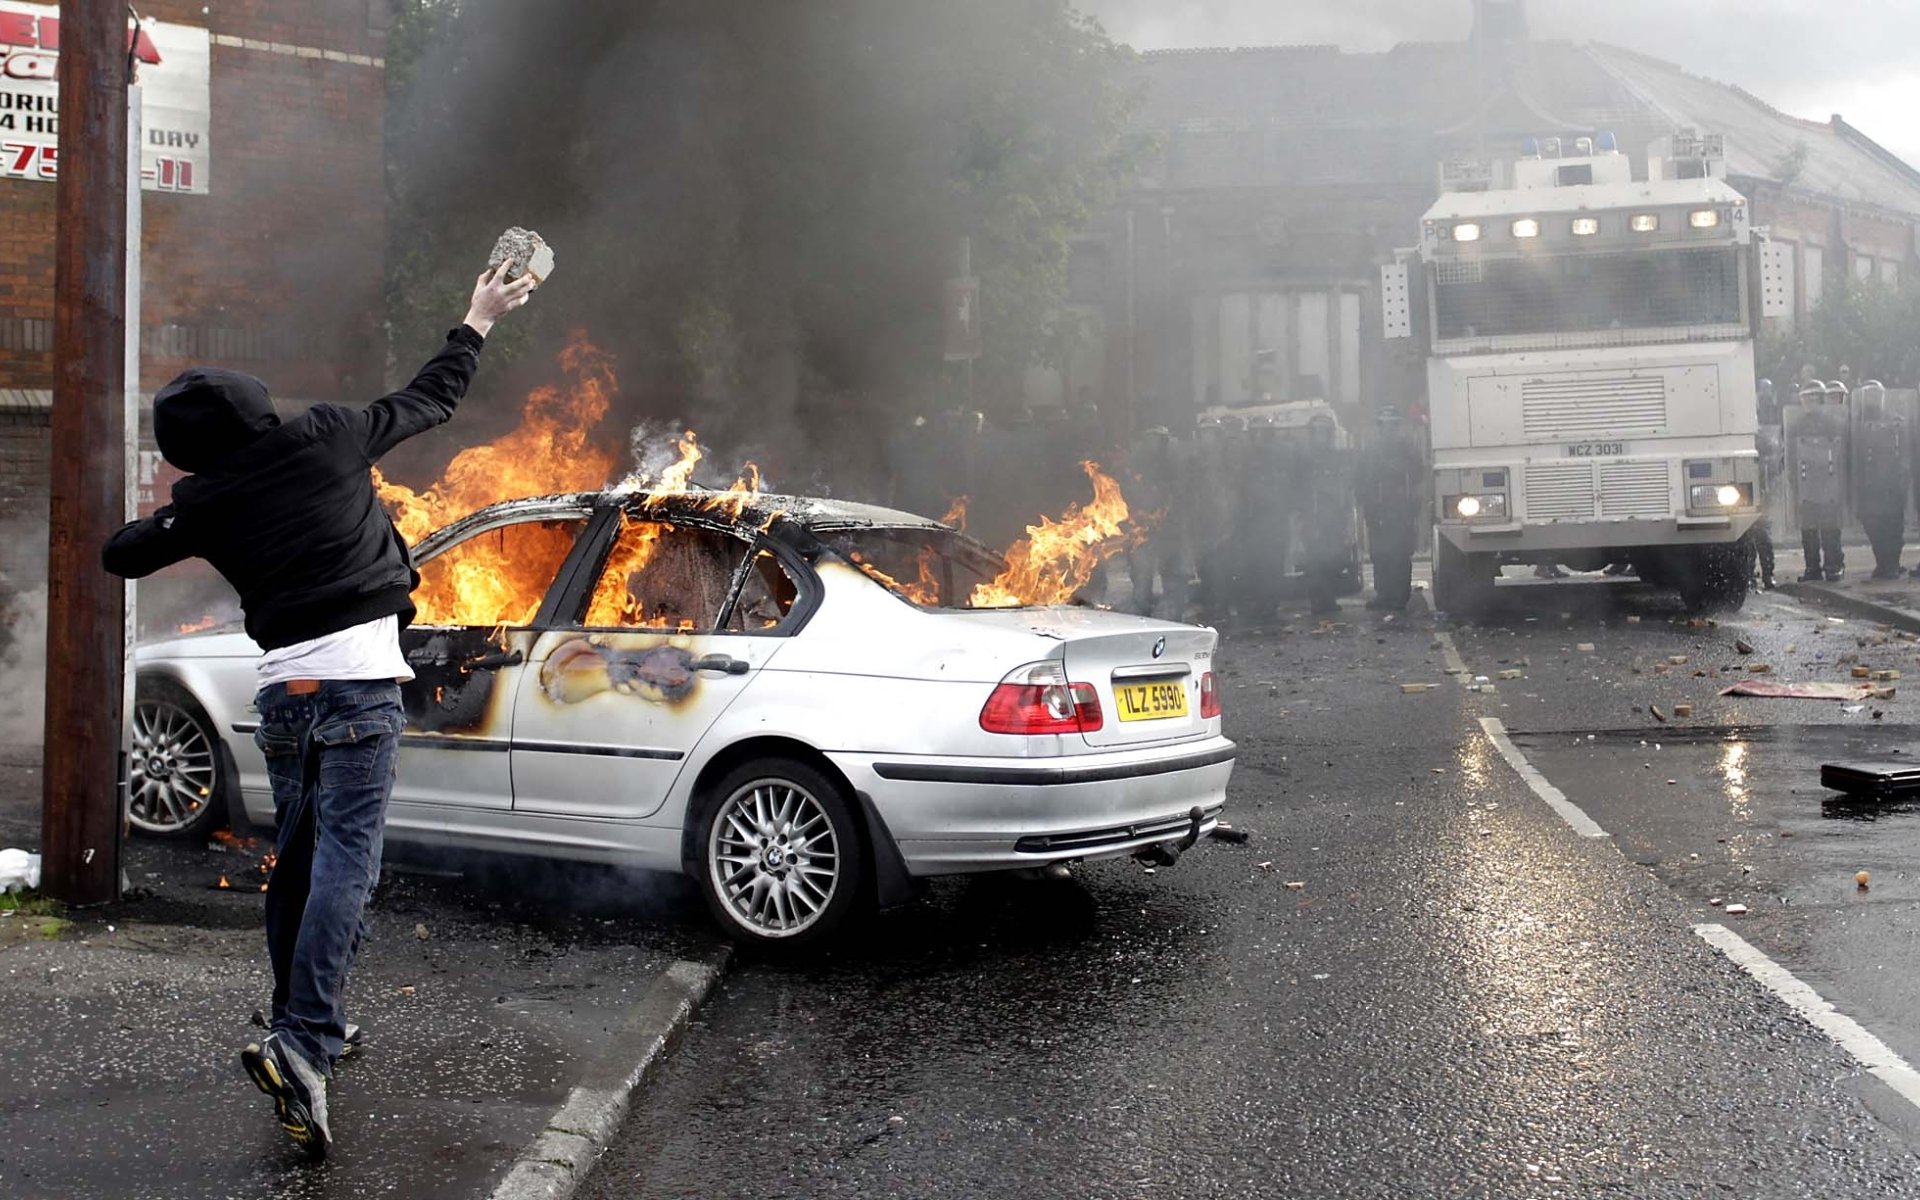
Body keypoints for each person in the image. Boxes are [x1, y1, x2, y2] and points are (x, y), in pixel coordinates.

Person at [101, 265, 536, 1160]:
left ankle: (309, 1022)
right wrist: (475, 319)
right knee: (345, 864)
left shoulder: (204, 500)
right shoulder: (330, 438)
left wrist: (173, 517)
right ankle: (302, 1043)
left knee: (295, 865)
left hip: (285, 701)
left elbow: (122, 553)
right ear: (259, 406)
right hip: (360, 691)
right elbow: (429, 399)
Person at [1357, 407, 1427, 611]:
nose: (1389, 429)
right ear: (1380, 427)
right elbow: (1359, 478)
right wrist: (1365, 503)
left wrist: (1413, 506)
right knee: (1380, 554)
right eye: (1385, 425)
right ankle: (1384, 594)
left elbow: (1418, 478)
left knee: (1401, 553)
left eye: (1392, 425)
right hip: (1377, 509)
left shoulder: (1408, 449)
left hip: (1401, 510)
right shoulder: (1369, 451)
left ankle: (1399, 596)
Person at [1791, 381, 1848, 582]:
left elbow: (1843, 455)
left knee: (1827, 529)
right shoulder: (1798, 424)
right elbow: (1791, 457)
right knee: (1811, 530)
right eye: (1808, 398)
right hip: (1812, 485)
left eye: (1815, 398)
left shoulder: (1832, 423)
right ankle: (1818, 567)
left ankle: (1829, 566)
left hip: (1826, 483)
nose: (1811, 403)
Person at [1852, 381, 1910, 579]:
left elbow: (1904, 450)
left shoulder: (1894, 421)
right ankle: (1882, 562)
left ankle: (1892, 564)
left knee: (1893, 527)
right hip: (1869, 485)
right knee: (1873, 525)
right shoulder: (1857, 422)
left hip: (1891, 484)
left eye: (1877, 395)